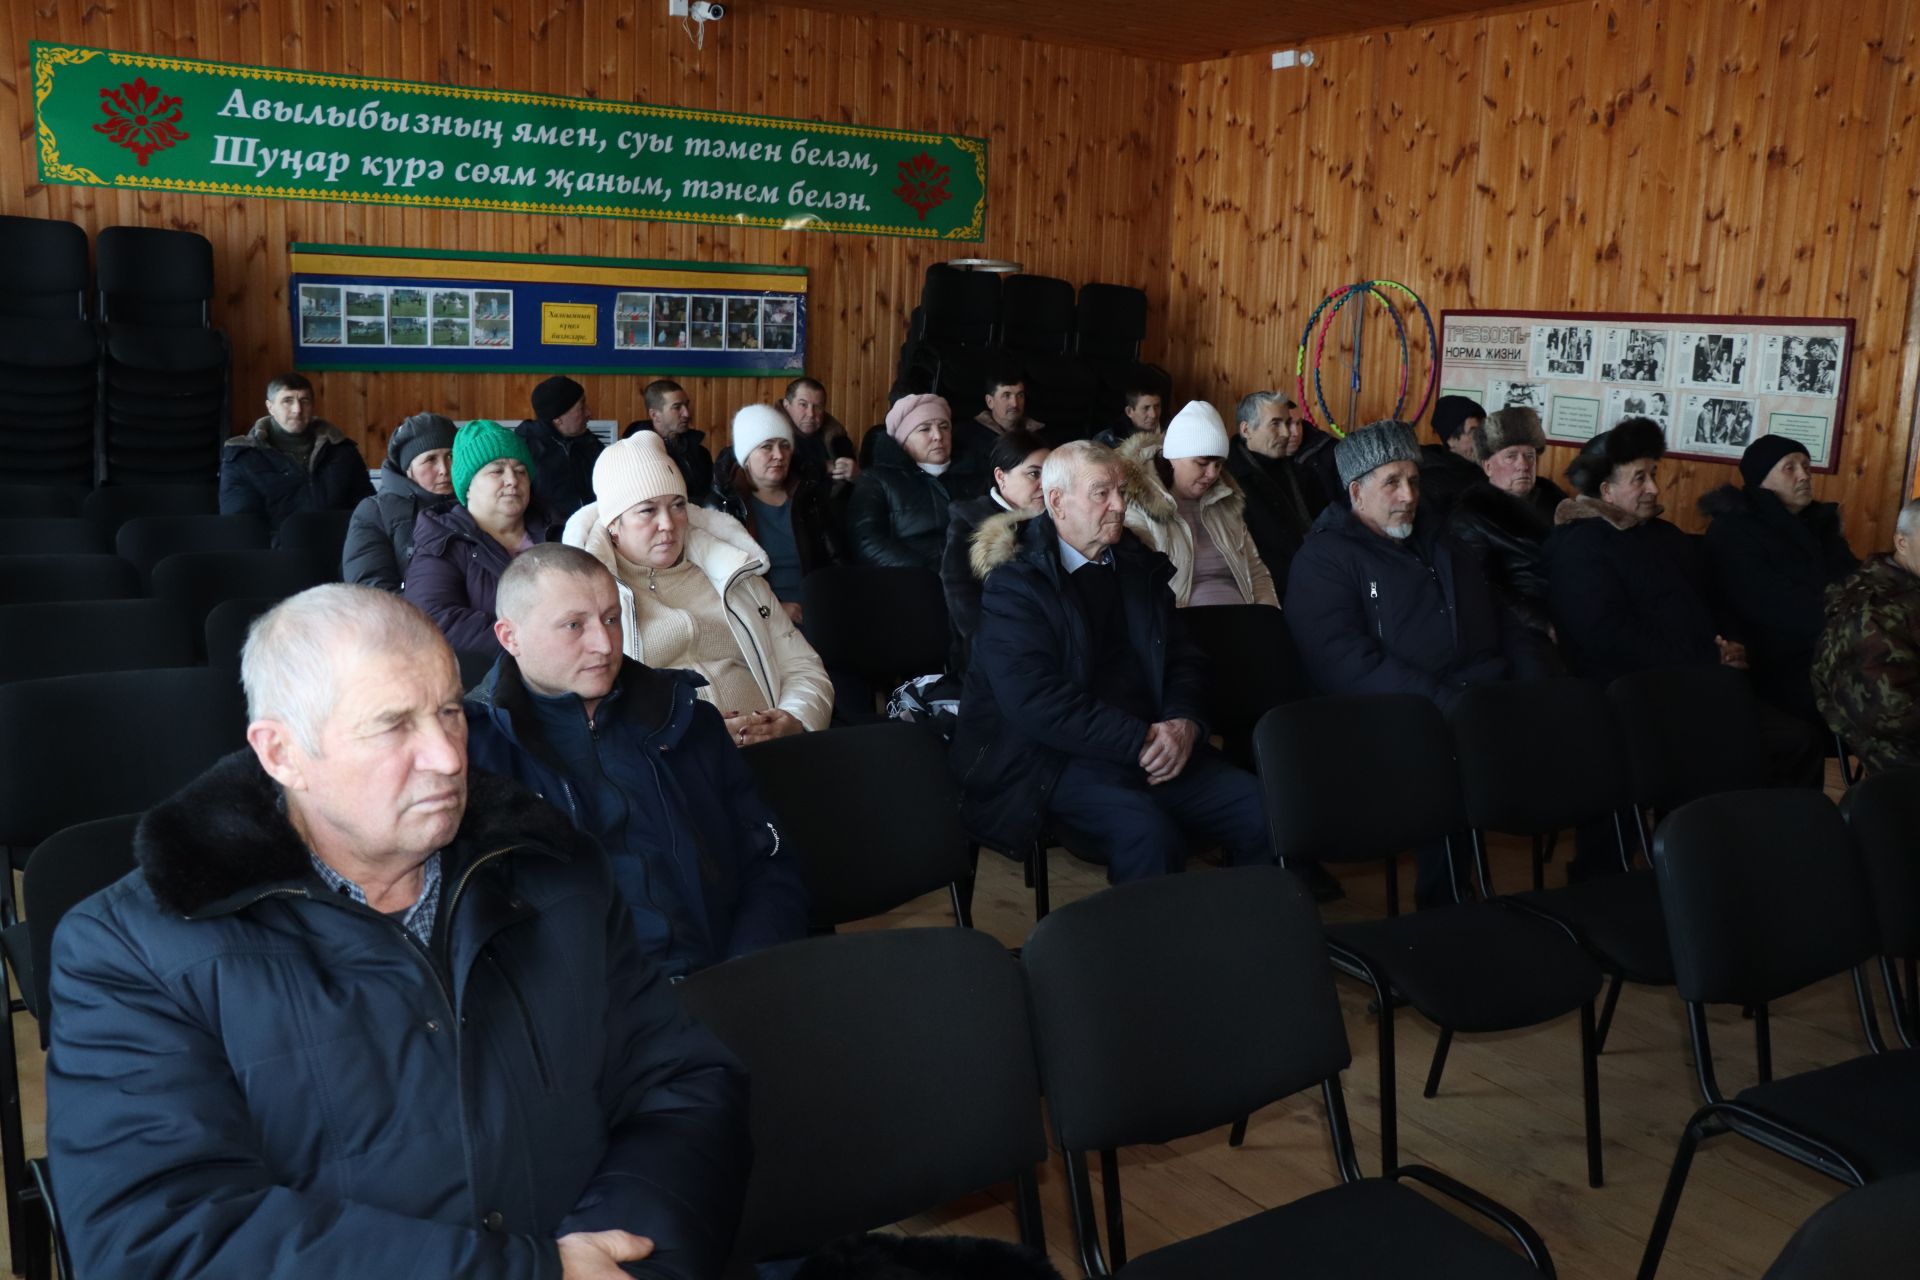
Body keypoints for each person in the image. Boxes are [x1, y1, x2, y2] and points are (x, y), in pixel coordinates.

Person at [47, 585, 750, 1280]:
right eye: (393, 725)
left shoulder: (554, 872)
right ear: (282, 753)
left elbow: (681, 1087)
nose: (448, 757)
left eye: (449, 711)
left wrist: (624, 1260)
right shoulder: (132, 951)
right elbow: (156, 1238)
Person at [467, 545, 808, 976]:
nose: (603, 643)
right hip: (590, 1016)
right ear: (509, 637)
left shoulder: (686, 720)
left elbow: (767, 860)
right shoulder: (473, 756)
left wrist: (750, 966)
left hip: (726, 981)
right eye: (574, 625)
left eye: (611, 618)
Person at [951, 440, 1272, 884]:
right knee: (1148, 834)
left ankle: (1243, 942)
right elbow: (1034, 700)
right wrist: (1139, 739)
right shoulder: (1017, 583)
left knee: (1264, 810)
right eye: (1102, 492)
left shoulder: (1138, 566)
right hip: (1057, 758)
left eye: (1121, 490)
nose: (1120, 505)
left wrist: (1185, 724)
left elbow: (1183, 659)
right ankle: (1138, 953)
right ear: (1057, 502)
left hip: (1156, 743)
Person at [1285, 420, 1546, 904]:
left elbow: (1501, 618)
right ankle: (1445, 900)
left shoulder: (1441, 541)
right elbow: (1346, 663)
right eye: (1392, 482)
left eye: (1414, 480)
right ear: (1356, 491)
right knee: (1453, 761)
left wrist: (1533, 682)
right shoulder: (1325, 559)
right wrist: (1449, 704)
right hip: (1395, 715)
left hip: (1478, 696)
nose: (1408, 495)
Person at [564, 430, 832, 741]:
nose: (668, 523)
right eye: (648, 510)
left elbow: (802, 667)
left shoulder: (733, 573)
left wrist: (794, 719)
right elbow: (582, 711)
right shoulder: (588, 599)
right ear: (613, 526)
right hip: (666, 772)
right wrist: (683, 739)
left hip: (770, 755)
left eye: (678, 506)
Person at [1547, 418, 1736, 684]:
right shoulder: (1580, 548)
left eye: (1653, 475)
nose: (1654, 488)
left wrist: (1729, 643)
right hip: (1631, 692)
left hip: (1700, 672)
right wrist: (1706, 655)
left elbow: (1708, 597)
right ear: (1606, 491)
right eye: (1640, 478)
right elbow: (1609, 637)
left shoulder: (1666, 534)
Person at [1700, 435, 1859, 725]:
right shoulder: (1734, 531)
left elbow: (1857, 580)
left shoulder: (1818, 524)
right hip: (1773, 659)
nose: (1804, 476)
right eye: (1790, 467)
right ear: (1762, 480)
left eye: (1807, 466)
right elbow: (1770, 604)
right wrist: (1853, 625)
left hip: (1833, 644)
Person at [405, 419, 562, 656]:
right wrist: (532, 642)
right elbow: (434, 619)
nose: (512, 480)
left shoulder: (559, 531)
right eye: (497, 471)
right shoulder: (443, 541)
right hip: (484, 686)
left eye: (521, 471)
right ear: (467, 486)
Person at [1117, 401, 1279, 608]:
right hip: (1184, 626)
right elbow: (1138, 588)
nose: (1212, 474)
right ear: (1173, 457)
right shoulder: (1138, 506)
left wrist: (1268, 617)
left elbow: (1257, 572)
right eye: (1202, 463)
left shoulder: (1225, 500)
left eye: (1218, 464)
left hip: (1244, 619)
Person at [1813, 498, 1920, 775]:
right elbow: (1892, 714)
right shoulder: (1874, 609)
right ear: (1902, 542)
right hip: (1900, 754)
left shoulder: (1908, 586)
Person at [706, 404, 839, 622]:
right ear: (746, 457)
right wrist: (771, 609)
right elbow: (715, 582)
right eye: (767, 447)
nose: (779, 455)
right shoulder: (724, 505)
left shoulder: (809, 497)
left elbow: (835, 560)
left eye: (785, 446)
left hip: (819, 612)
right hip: (759, 619)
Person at [1446, 406, 1567, 638]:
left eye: (1529, 456)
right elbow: (1479, 588)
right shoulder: (1471, 517)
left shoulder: (1556, 501)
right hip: (1520, 626)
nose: (1523, 465)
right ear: (1488, 467)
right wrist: (1538, 623)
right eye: (1511, 456)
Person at [942, 428, 1050, 680]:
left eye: (1049, 474)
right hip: (992, 657)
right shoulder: (970, 523)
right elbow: (962, 600)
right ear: (1001, 477)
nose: (1044, 484)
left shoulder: (1055, 521)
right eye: (1033, 474)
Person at [218, 372, 374, 532]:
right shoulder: (242, 458)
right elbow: (240, 526)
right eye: (287, 401)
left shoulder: (342, 451)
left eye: (304, 401)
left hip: (342, 549)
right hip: (275, 553)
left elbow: (368, 511)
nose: (297, 409)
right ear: (270, 407)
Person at [850, 393, 967, 571]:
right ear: (904, 441)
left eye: (944, 427)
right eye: (924, 429)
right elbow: (867, 543)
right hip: (909, 583)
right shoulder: (876, 480)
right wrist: (930, 571)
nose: (938, 436)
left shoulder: (972, 476)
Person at [342, 410, 457, 592]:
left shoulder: (475, 503)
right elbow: (370, 587)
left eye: (451, 456)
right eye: (431, 459)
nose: (444, 469)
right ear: (407, 469)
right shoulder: (374, 512)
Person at [1226, 391, 1319, 591]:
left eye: (1287, 423)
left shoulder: (1301, 473)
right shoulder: (1227, 481)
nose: (1287, 433)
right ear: (1246, 430)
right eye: (1275, 424)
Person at [516, 375, 603, 521]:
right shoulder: (525, 450)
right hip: (549, 538)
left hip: (594, 529)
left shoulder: (589, 443)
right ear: (558, 418)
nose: (589, 413)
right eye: (581, 407)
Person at [622, 379, 713, 503]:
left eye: (686, 405)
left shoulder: (700, 452)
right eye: (677, 407)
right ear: (655, 415)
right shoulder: (635, 454)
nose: (686, 413)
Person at [1418, 394, 1489, 523]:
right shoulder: (1433, 482)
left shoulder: (1480, 468)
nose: (1482, 440)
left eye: (1483, 432)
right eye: (1474, 433)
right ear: (1450, 439)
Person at [781, 376, 858, 490]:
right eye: (803, 404)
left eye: (818, 406)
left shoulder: (836, 435)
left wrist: (857, 476)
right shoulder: (771, 437)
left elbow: (853, 484)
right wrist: (825, 467)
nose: (811, 413)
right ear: (787, 405)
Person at [957, 362, 1047, 460]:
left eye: (1020, 395)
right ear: (990, 401)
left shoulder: (1039, 435)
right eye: (1006, 395)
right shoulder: (968, 436)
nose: (1015, 403)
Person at [1094, 383, 1163, 448]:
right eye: (1146, 408)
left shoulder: (1170, 432)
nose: (1153, 415)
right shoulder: (1107, 440)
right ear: (1129, 412)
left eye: (1157, 406)